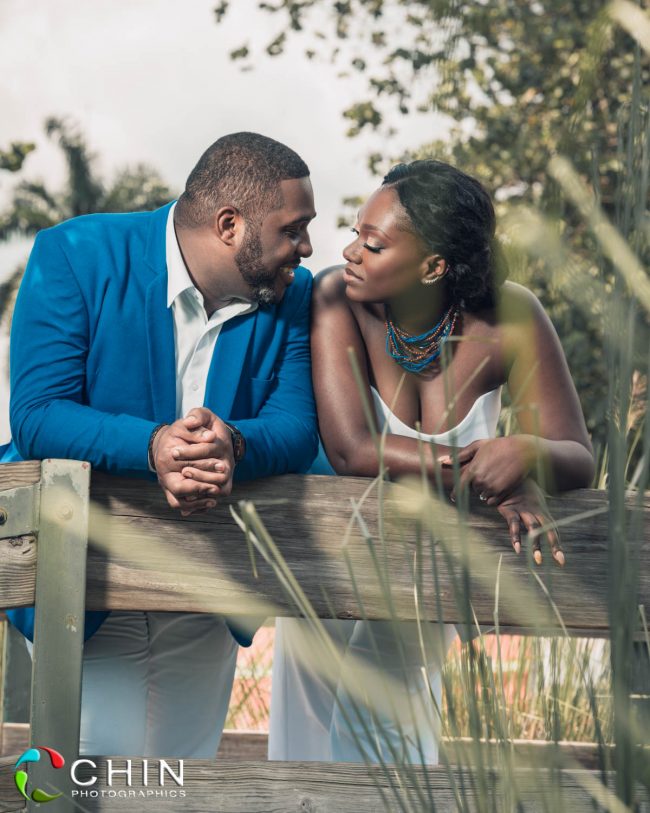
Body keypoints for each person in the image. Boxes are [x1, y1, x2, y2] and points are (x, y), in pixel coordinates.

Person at [2, 132, 318, 757]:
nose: (305, 248)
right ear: (230, 225)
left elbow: (296, 427)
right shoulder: (73, 254)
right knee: (94, 777)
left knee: (181, 780)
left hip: (207, 586)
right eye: (293, 228)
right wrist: (154, 447)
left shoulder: (295, 296)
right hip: (85, 579)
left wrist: (234, 443)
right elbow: (38, 414)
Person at [269, 159, 595, 764]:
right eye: (354, 232)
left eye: (372, 242)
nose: (349, 250)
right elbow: (352, 449)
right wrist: (485, 471)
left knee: (384, 737)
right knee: (306, 751)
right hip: (327, 562)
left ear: (435, 265)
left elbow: (578, 458)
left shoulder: (512, 318)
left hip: (422, 577)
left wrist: (523, 452)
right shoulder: (337, 297)